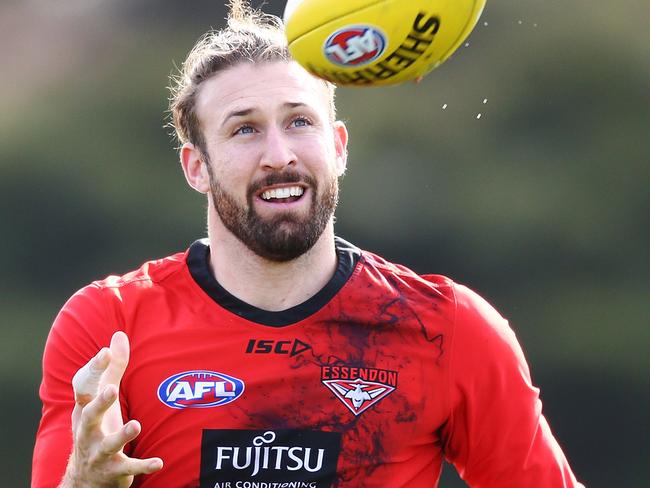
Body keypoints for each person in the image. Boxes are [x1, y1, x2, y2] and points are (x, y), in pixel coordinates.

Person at [32, 2, 585, 487]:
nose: (279, 154)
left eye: (299, 121)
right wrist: (83, 484)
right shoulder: (108, 326)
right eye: (244, 129)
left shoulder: (447, 329)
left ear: (338, 147)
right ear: (196, 166)